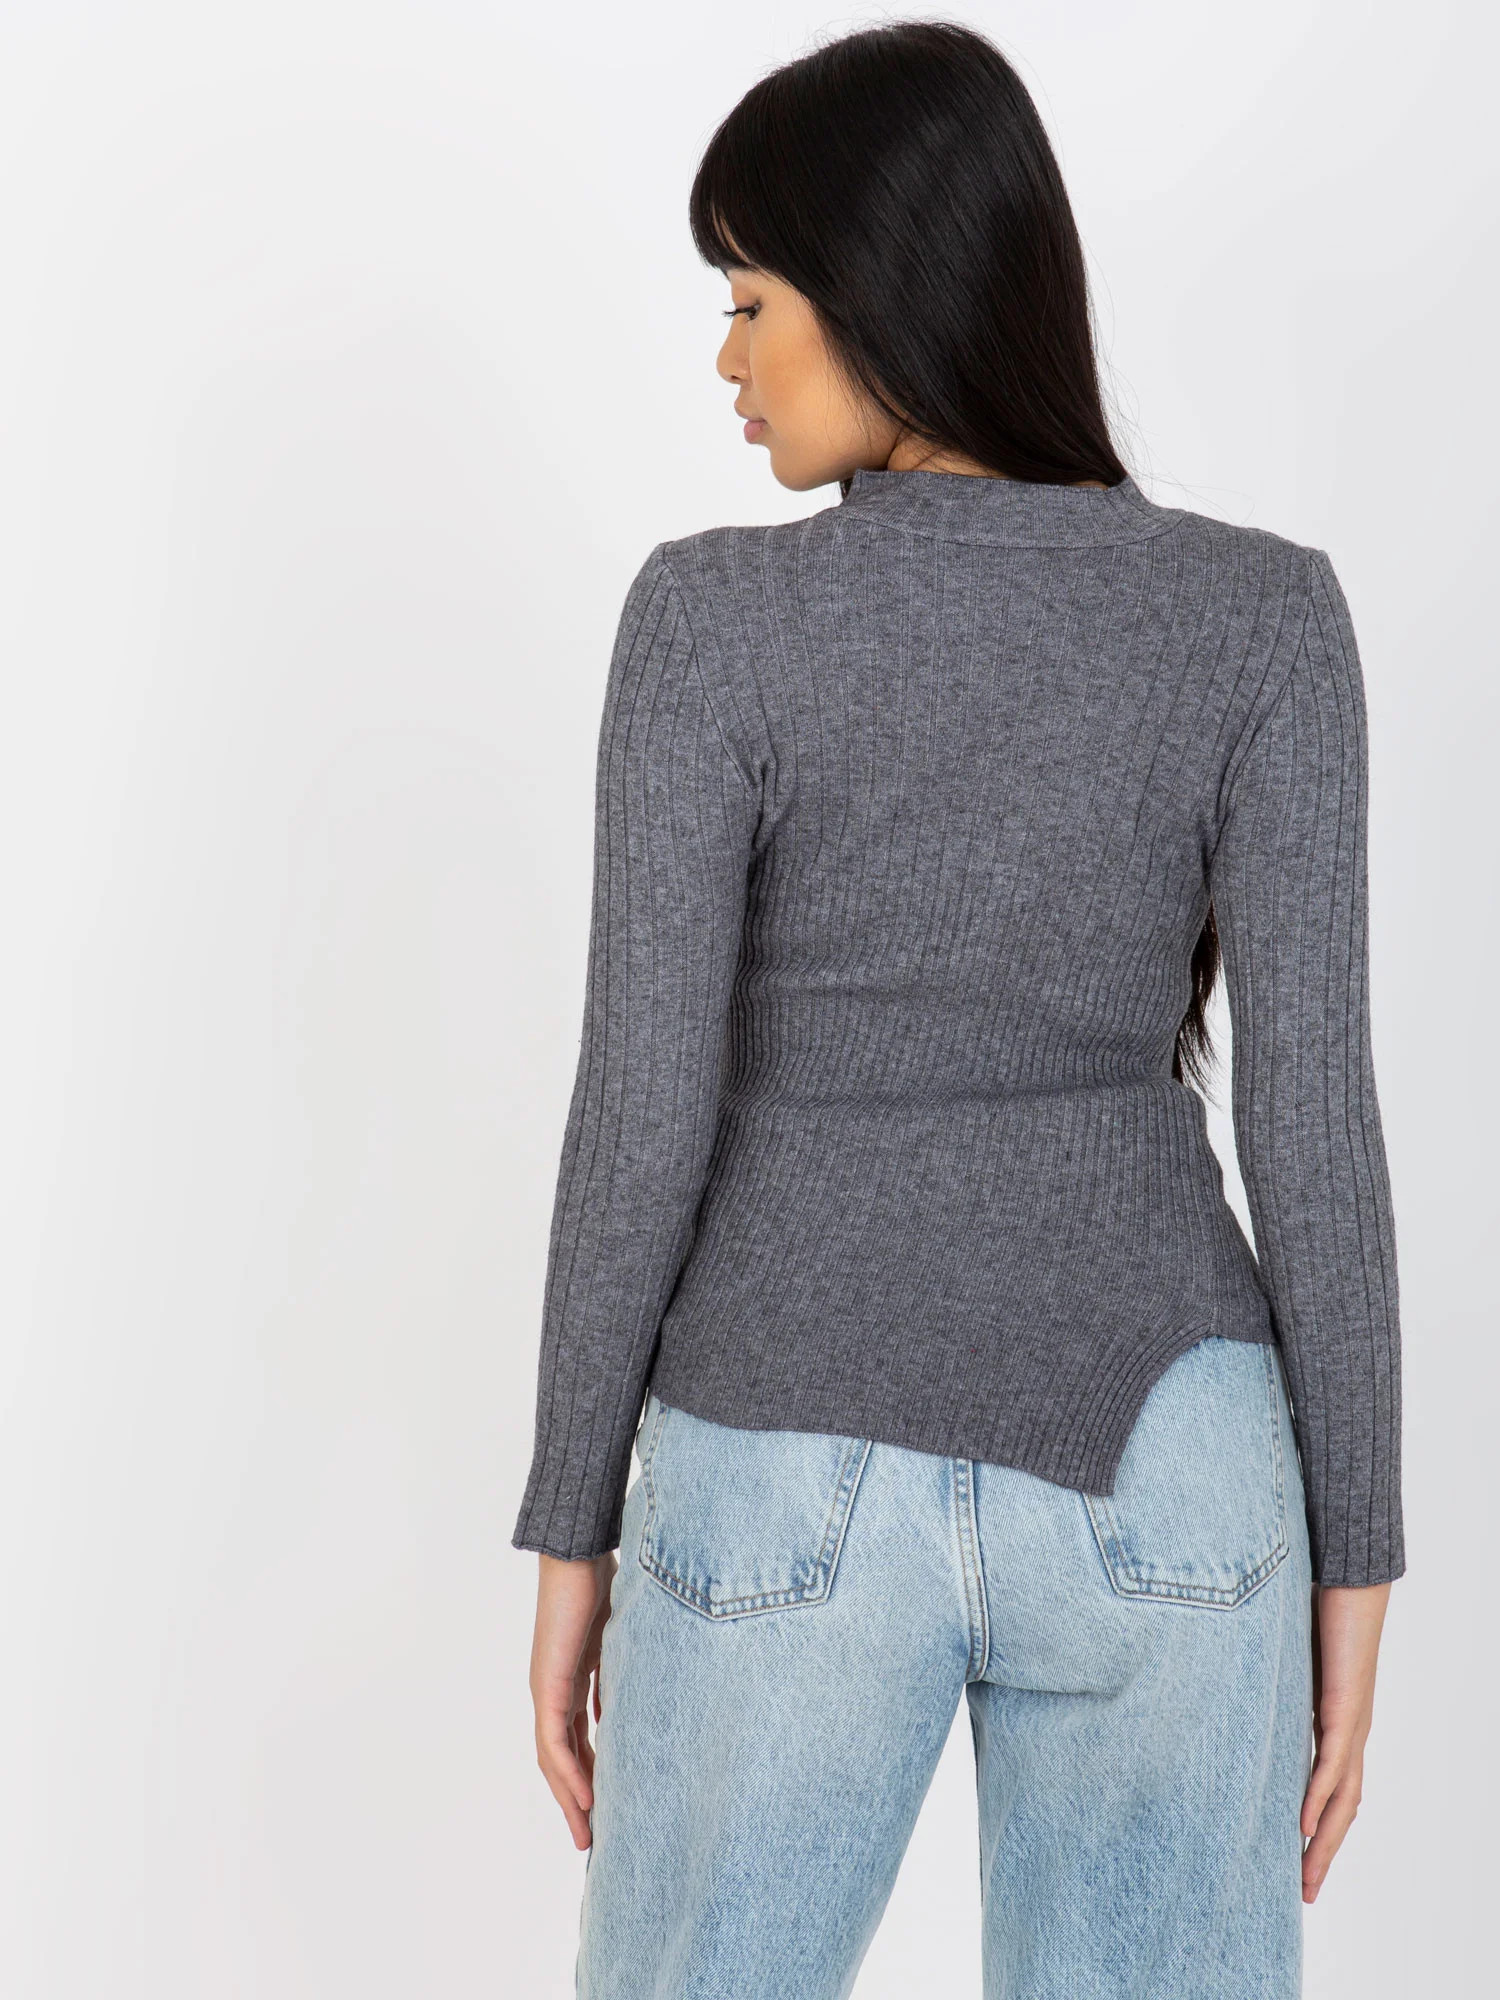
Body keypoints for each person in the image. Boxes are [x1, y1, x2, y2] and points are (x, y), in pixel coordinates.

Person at [512, 20, 1404, 1997]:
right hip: (1176, 1466)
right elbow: (1316, 1131)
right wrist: (1357, 1560)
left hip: (778, 1445)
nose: (728, 359)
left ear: (880, 292)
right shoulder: (1265, 618)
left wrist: (572, 1528)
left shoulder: (711, 623)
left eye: (751, 301)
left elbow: (640, 1113)